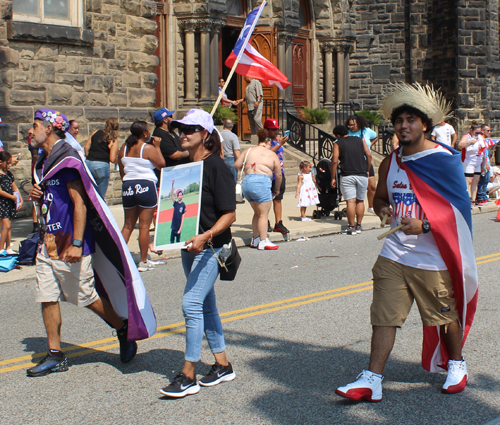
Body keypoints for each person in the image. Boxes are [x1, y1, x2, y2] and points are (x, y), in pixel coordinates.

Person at [336, 82, 478, 401]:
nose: (404, 126)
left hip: (434, 259)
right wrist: (383, 209)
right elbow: (380, 198)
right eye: (399, 121)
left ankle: (456, 363)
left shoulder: (444, 159)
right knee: (383, 317)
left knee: (445, 317)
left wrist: (425, 223)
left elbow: (460, 209)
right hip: (395, 255)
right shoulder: (392, 162)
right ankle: (372, 379)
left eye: (411, 120)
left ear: (425, 124)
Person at [27, 109, 145, 377]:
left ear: (50, 128)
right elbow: (52, 197)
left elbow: (80, 203)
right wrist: (37, 192)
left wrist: (78, 242)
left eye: (35, 126)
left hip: (69, 240)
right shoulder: (44, 161)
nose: (30, 131)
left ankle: (123, 329)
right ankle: (55, 354)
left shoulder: (66, 159)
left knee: (85, 296)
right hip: (48, 241)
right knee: (47, 296)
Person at [160, 109, 236, 398]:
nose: (183, 134)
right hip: (188, 247)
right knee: (206, 305)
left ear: (205, 134)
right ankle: (222, 365)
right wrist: (164, 235)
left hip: (213, 247)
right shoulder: (182, 169)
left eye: (190, 129)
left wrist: (206, 236)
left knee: (190, 303)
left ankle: (188, 373)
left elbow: (229, 214)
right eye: (180, 129)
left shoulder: (217, 167)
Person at [118, 121, 165, 272]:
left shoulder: (124, 148)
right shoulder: (148, 148)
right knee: (144, 226)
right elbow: (161, 164)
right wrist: (157, 147)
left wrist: (126, 181)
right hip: (145, 184)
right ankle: (143, 261)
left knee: (128, 225)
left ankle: (119, 258)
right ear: (145, 133)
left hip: (128, 185)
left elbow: (121, 168)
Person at [235, 129, 282, 250]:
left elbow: (237, 165)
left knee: (257, 213)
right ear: (267, 142)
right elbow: (278, 174)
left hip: (247, 182)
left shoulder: (248, 150)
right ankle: (263, 240)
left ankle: (255, 239)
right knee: (263, 214)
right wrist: (276, 189)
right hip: (261, 182)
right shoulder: (271, 154)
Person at [331, 125, 371, 235]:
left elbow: (334, 161)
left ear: (338, 135)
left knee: (350, 201)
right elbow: (369, 155)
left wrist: (333, 177)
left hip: (347, 174)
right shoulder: (360, 140)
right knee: (360, 200)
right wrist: (367, 169)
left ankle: (351, 226)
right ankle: (359, 225)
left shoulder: (338, 143)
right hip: (362, 174)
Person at [346, 115, 379, 214]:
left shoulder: (366, 131)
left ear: (359, 124)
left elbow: (376, 136)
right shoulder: (347, 133)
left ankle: (371, 206)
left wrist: (369, 146)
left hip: (366, 161)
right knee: (357, 188)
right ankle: (356, 208)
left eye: (353, 125)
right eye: (349, 125)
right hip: (354, 162)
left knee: (372, 186)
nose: (351, 127)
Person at [265, 118, 290, 234]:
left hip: (279, 174)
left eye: (277, 130)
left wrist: (280, 142)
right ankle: (264, 221)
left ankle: (278, 223)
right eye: (273, 130)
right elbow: (268, 153)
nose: (276, 132)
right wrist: (279, 144)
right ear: (266, 130)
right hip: (269, 175)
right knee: (266, 200)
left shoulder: (277, 140)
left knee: (278, 199)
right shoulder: (266, 142)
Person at [85, 118, 120, 198]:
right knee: (99, 195)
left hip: (89, 163)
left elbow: (86, 147)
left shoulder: (95, 132)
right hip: (101, 165)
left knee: (88, 191)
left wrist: (90, 157)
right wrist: (117, 160)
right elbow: (112, 158)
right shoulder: (113, 139)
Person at [152, 107, 190, 175]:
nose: (172, 119)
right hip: (170, 172)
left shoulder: (169, 131)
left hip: (177, 170)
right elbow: (174, 155)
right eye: (171, 117)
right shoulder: (160, 134)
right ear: (165, 120)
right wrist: (189, 153)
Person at [457, 122, 485, 205]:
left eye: (480, 132)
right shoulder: (467, 136)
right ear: (471, 130)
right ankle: (465, 199)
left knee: (475, 181)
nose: (478, 134)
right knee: (468, 180)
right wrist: (469, 142)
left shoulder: (479, 137)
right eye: (476, 132)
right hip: (469, 161)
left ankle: (473, 199)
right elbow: (460, 145)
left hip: (478, 160)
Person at [0, 151, 23, 254]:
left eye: (10, 163)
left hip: (10, 202)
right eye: (7, 163)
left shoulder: (9, 174)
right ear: (1, 162)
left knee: (9, 225)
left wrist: (20, 199)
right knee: (6, 225)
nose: (9, 165)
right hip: (2, 203)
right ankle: (1, 248)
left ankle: (8, 247)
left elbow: (15, 187)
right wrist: (12, 197)